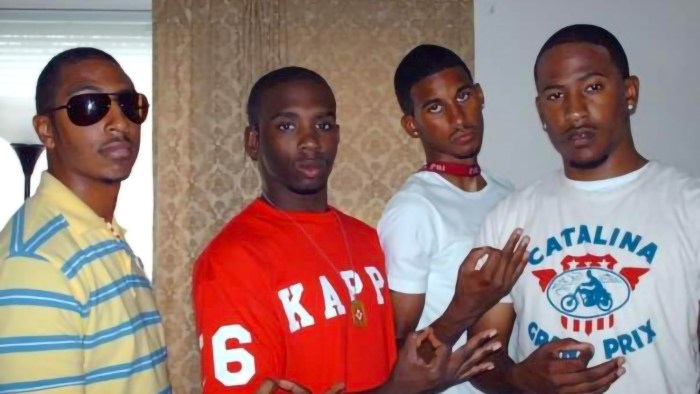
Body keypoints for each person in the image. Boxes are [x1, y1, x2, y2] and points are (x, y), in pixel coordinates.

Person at [193, 66, 527, 393]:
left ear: (337, 135)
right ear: (253, 142)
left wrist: (459, 318)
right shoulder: (231, 260)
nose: (310, 141)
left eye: (323, 124)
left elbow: (400, 370)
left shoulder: (366, 240)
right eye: (287, 126)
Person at [469, 24, 700, 394]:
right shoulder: (509, 220)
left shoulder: (690, 208)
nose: (574, 112)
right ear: (541, 111)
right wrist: (518, 378)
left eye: (592, 87)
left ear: (629, 93)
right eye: (556, 95)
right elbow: (481, 357)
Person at [0, 47, 169, 393]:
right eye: (89, 106)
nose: (120, 122)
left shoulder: (106, 238)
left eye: (128, 104)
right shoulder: (36, 263)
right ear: (46, 130)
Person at [378, 44, 515, 394]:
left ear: (480, 95)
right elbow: (396, 356)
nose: (459, 118)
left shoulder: (509, 193)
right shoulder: (413, 209)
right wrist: (464, 306)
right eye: (435, 107)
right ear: (412, 124)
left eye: (463, 96)